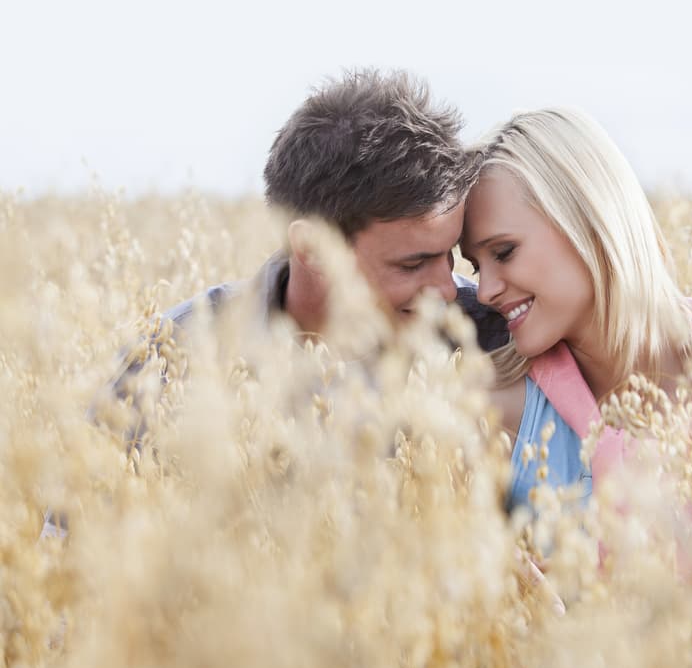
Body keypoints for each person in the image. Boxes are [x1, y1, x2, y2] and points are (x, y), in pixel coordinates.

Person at [42, 70, 509, 538]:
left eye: (449, 256)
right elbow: (68, 562)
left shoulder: (489, 332)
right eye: (413, 264)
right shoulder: (169, 361)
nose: (448, 290)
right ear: (310, 249)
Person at [460, 107, 692, 515]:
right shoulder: (498, 408)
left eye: (504, 252)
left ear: (587, 218)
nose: (487, 290)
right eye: (477, 267)